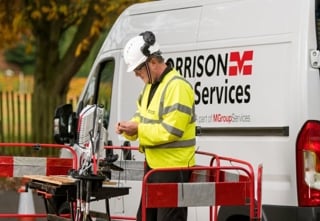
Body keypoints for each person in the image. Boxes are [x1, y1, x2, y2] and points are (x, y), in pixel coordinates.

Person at [115, 31, 196, 221]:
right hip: (155, 168)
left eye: (138, 69)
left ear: (152, 62)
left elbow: (172, 130)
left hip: (174, 170)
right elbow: (142, 116)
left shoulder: (177, 86)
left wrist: (139, 129)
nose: (136, 74)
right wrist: (130, 127)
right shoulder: (151, 86)